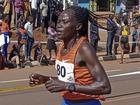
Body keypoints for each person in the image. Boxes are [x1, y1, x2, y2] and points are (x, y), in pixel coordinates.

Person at [29, 6, 111, 105]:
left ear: (78, 26)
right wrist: (46, 79)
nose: (59, 26)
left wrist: (67, 86)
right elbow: (67, 80)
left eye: (64, 22)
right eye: (58, 22)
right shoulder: (62, 46)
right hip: (67, 102)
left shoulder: (84, 49)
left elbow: (105, 86)